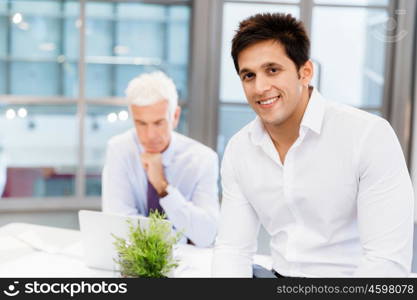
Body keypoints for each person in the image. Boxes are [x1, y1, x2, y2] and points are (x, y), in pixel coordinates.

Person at [212, 13, 414, 277]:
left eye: (272, 70)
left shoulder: (368, 136)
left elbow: (385, 261)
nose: (260, 87)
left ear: (305, 72)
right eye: (248, 76)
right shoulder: (240, 149)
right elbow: (232, 250)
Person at [102, 71, 220, 247]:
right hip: (134, 263)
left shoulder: (202, 159)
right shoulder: (119, 149)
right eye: (141, 123)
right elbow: (117, 224)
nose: (150, 136)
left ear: (175, 117)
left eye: (158, 123)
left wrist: (163, 187)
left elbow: (206, 235)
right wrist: (183, 238)